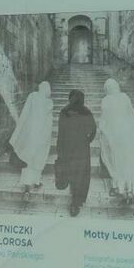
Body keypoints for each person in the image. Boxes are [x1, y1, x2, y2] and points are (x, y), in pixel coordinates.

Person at [98, 78, 134, 205]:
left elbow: (104, 119)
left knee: (118, 162)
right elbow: (132, 114)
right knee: (128, 163)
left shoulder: (106, 100)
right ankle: (129, 190)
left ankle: (122, 189)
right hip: (126, 135)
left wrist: (101, 130)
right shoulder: (124, 98)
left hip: (116, 136)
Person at [54, 89, 97, 217]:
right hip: (82, 148)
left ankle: (74, 200)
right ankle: (76, 202)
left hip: (67, 147)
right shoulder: (86, 111)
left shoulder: (64, 112)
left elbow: (60, 132)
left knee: (70, 171)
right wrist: (87, 140)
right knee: (80, 174)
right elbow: (93, 130)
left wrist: (59, 148)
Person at [10, 81, 53, 193]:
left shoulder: (32, 96)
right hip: (41, 135)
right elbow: (49, 123)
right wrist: (46, 137)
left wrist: (20, 131)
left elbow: (24, 114)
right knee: (37, 159)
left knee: (27, 158)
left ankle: (26, 183)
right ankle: (35, 182)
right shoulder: (49, 103)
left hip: (30, 134)